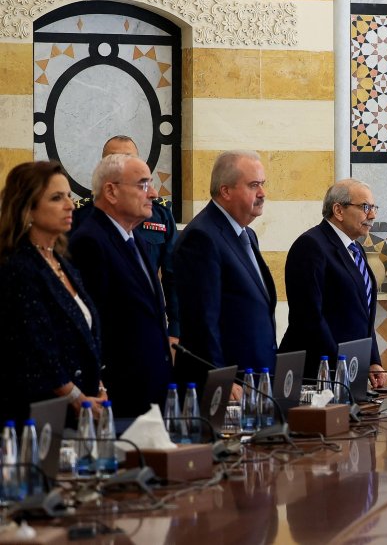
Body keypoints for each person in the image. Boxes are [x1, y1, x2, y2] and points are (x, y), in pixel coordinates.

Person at [69, 153, 173, 418]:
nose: (152, 193)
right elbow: (93, 325)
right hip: (120, 394)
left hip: (150, 389)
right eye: (142, 185)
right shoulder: (90, 241)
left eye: (151, 184)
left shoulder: (134, 237)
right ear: (111, 191)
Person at [0, 161, 105, 422]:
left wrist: (99, 388)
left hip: (83, 406)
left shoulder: (63, 263)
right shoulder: (18, 267)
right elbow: (36, 347)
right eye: (57, 198)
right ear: (29, 209)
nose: (70, 205)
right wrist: (76, 398)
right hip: (41, 414)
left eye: (69, 196)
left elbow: (86, 337)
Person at [174, 150, 277, 381]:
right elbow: (202, 323)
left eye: (262, 184)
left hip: (255, 376)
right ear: (226, 191)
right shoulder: (202, 237)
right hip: (227, 383)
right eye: (253, 185)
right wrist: (220, 378)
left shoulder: (247, 234)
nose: (263, 193)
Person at [279, 179, 387, 388]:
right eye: (365, 207)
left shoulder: (355, 249)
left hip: (346, 373)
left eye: (374, 208)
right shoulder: (311, 245)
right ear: (338, 210)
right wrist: (341, 364)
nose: (372, 215)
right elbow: (309, 317)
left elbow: (363, 313)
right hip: (315, 373)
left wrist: (372, 359)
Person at [73, 135, 179, 340]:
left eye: (128, 158)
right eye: (113, 159)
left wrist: (175, 331)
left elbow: (173, 277)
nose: (153, 194)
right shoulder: (84, 226)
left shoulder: (157, 216)